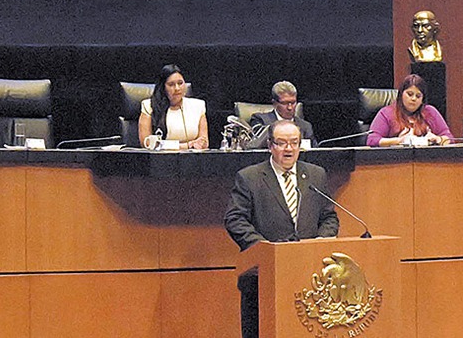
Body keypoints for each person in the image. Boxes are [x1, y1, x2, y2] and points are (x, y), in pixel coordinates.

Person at [224, 120, 339, 338]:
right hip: (262, 276)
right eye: (282, 143)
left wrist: (320, 242)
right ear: (270, 145)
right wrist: (265, 249)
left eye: (294, 143)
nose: (288, 149)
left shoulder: (316, 175)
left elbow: (329, 217)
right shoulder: (250, 177)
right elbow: (234, 218)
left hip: (307, 274)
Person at [367, 74, 452, 147]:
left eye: (418, 96)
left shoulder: (430, 112)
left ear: (423, 99)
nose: (413, 99)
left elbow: (450, 138)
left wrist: (438, 139)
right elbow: (372, 140)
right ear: (401, 95)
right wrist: (399, 141)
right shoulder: (386, 113)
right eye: (410, 94)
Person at [138, 64, 208, 150]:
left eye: (180, 83)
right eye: (171, 85)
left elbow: (204, 141)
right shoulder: (149, 106)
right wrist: (186, 146)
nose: (177, 88)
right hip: (160, 159)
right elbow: (147, 143)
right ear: (163, 87)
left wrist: (200, 144)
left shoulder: (198, 106)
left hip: (192, 159)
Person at [245, 80, 316, 148]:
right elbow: (254, 148)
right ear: (274, 103)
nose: (290, 107)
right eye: (284, 103)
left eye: (293, 102)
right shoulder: (261, 121)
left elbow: (315, 154)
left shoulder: (306, 127)